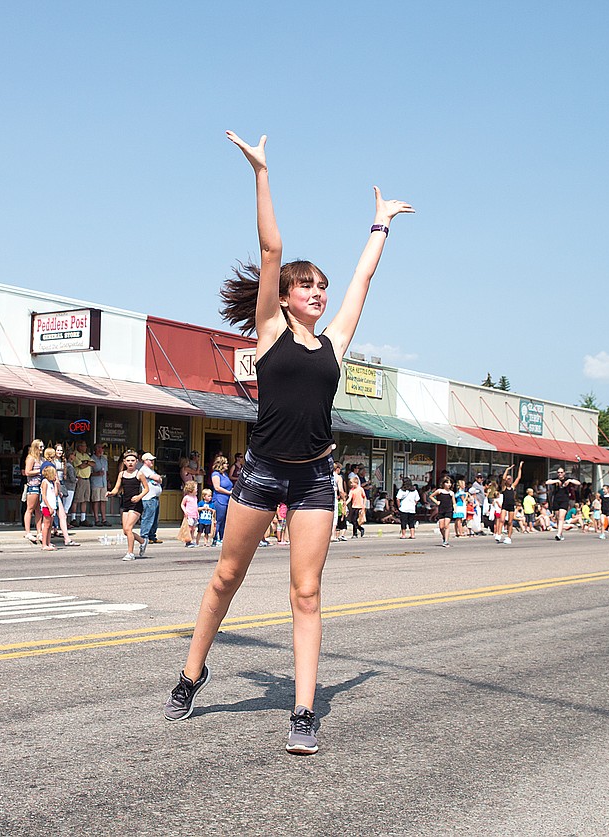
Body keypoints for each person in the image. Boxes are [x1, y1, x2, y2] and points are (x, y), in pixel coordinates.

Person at [164, 130, 413, 756]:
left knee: (307, 591)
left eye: (320, 287)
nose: (319, 294)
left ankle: (304, 710)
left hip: (314, 479)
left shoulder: (332, 343)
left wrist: (378, 227)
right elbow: (269, 246)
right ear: (283, 297)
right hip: (262, 473)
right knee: (226, 577)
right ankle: (194, 670)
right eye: (308, 287)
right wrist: (261, 173)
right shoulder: (270, 330)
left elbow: (361, 284)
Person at [107, 450, 149, 561]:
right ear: (124, 462)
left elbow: (146, 489)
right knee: (125, 531)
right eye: (128, 461)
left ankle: (130, 553)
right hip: (126, 503)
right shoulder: (121, 474)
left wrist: (139, 497)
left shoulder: (139, 474)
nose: (130, 463)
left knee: (129, 528)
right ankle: (142, 541)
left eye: (132, 461)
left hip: (136, 504)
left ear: (136, 462)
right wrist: (111, 493)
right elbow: (117, 488)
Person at [546, 467, 581, 541]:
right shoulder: (555, 479)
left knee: (562, 517)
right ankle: (560, 533)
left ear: (564, 473)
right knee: (558, 518)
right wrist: (556, 481)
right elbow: (547, 482)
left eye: (561, 472)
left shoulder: (567, 479)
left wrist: (569, 480)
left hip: (564, 500)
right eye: (558, 472)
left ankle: (558, 534)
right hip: (556, 499)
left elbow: (578, 483)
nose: (560, 474)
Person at [22, 439, 46, 543]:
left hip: (41, 485)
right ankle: (28, 532)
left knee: (39, 510)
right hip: (33, 485)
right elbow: (27, 472)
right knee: (30, 509)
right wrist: (39, 471)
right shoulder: (31, 458)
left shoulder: (41, 459)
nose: (42, 449)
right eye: (40, 447)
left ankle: (39, 531)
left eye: (43, 447)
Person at [139, 452, 164, 544]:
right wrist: (158, 478)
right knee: (148, 517)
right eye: (150, 460)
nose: (152, 461)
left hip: (155, 497)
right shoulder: (144, 469)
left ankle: (152, 536)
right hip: (148, 497)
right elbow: (157, 478)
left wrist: (159, 478)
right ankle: (144, 536)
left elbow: (159, 479)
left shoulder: (150, 470)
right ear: (145, 461)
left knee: (154, 518)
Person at [496, 461, 524, 544]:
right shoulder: (504, 487)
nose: (510, 480)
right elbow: (503, 478)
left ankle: (508, 537)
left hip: (511, 505)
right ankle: (498, 534)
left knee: (510, 522)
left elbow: (518, 477)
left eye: (510, 479)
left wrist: (520, 468)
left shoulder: (513, 487)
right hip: (505, 505)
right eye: (508, 479)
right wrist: (507, 470)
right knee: (502, 519)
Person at [209, 454, 233, 546]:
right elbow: (217, 487)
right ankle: (215, 539)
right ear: (221, 464)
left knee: (224, 520)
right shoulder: (215, 474)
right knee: (218, 520)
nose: (227, 465)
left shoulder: (225, 475)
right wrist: (228, 492)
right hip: (219, 499)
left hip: (227, 500)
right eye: (226, 463)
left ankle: (222, 538)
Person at [70, 440, 94, 526]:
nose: (85, 447)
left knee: (85, 499)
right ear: (79, 446)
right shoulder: (76, 455)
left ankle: (83, 519)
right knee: (76, 499)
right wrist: (87, 463)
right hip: (79, 479)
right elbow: (80, 465)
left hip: (87, 479)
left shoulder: (86, 455)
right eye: (83, 446)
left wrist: (86, 462)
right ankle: (73, 518)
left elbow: (93, 463)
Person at [38, 466, 60, 552]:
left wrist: (55, 483)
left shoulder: (51, 483)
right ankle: (44, 544)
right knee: (46, 525)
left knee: (50, 525)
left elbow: (56, 493)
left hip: (53, 506)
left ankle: (48, 542)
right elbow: (44, 495)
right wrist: (49, 507)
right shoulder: (45, 482)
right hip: (47, 506)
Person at [90, 443, 111, 526]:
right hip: (95, 482)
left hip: (103, 483)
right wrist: (97, 473)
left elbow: (106, 472)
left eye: (101, 448)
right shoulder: (91, 459)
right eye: (99, 448)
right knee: (96, 501)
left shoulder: (104, 459)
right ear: (95, 449)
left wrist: (108, 481)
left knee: (103, 501)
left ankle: (104, 519)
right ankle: (96, 519)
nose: (101, 449)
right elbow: (89, 473)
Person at [430, 477, 455, 547]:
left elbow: (454, 502)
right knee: (441, 527)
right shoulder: (439, 491)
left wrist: (455, 509)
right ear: (443, 484)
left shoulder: (451, 493)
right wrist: (436, 502)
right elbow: (431, 496)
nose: (449, 484)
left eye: (450, 483)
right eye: (447, 483)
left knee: (446, 525)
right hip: (441, 510)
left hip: (449, 510)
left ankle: (446, 541)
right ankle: (444, 537)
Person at [180, 480, 199, 548]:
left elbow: (196, 506)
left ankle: (191, 540)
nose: (197, 490)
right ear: (191, 489)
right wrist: (185, 511)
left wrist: (197, 514)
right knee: (189, 529)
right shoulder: (187, 497)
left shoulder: (195, 497)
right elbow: (182, 504)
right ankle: (188, 541)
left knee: (193, 529)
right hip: (189, 515)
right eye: (196, 488)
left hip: (195, 515)